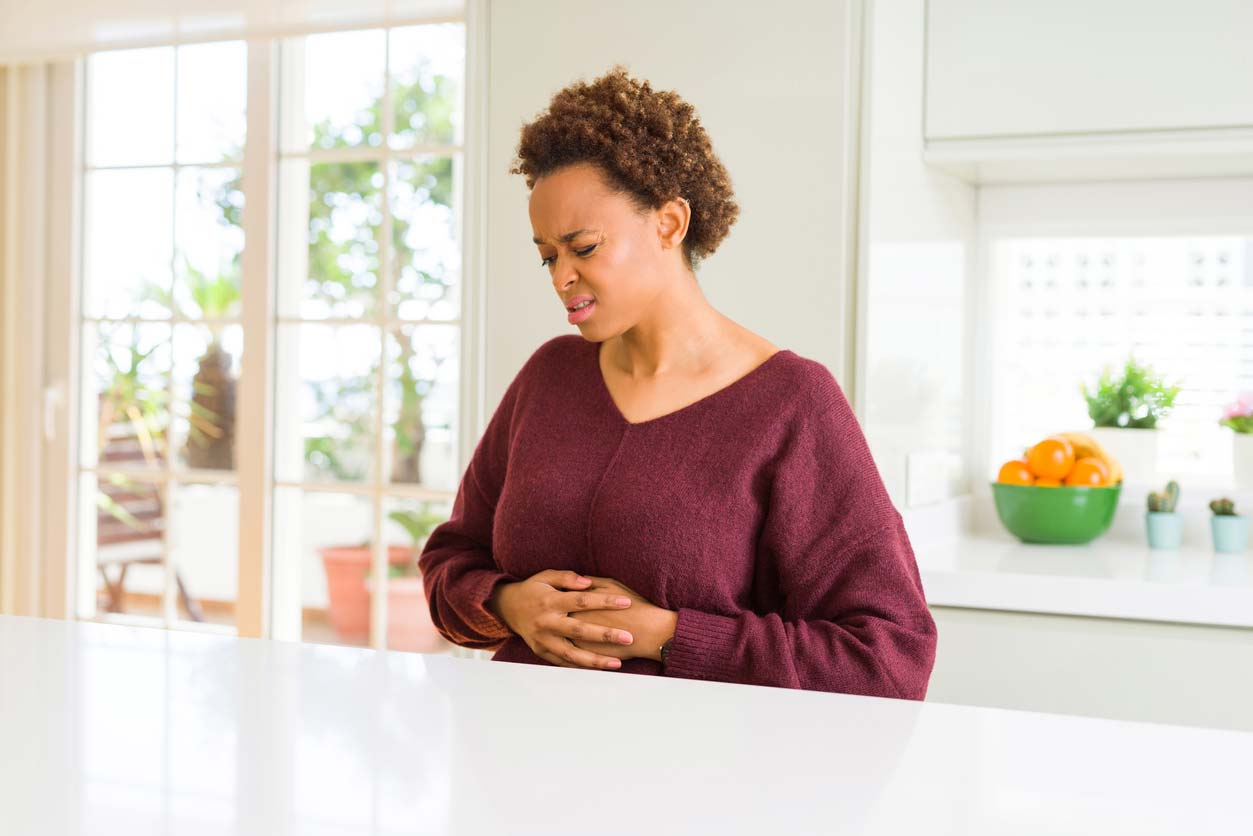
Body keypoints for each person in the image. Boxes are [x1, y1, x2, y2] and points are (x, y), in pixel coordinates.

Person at [418, 65, 937, 698]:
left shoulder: (792, 404)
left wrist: (668, 635)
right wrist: (506, 604)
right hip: (513, 767)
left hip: (700, 784)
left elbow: (889, 657)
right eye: (547, 255)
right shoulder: (548, 378)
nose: (560, 277)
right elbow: (450, 563)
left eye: (583, 248)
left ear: (668, 224)